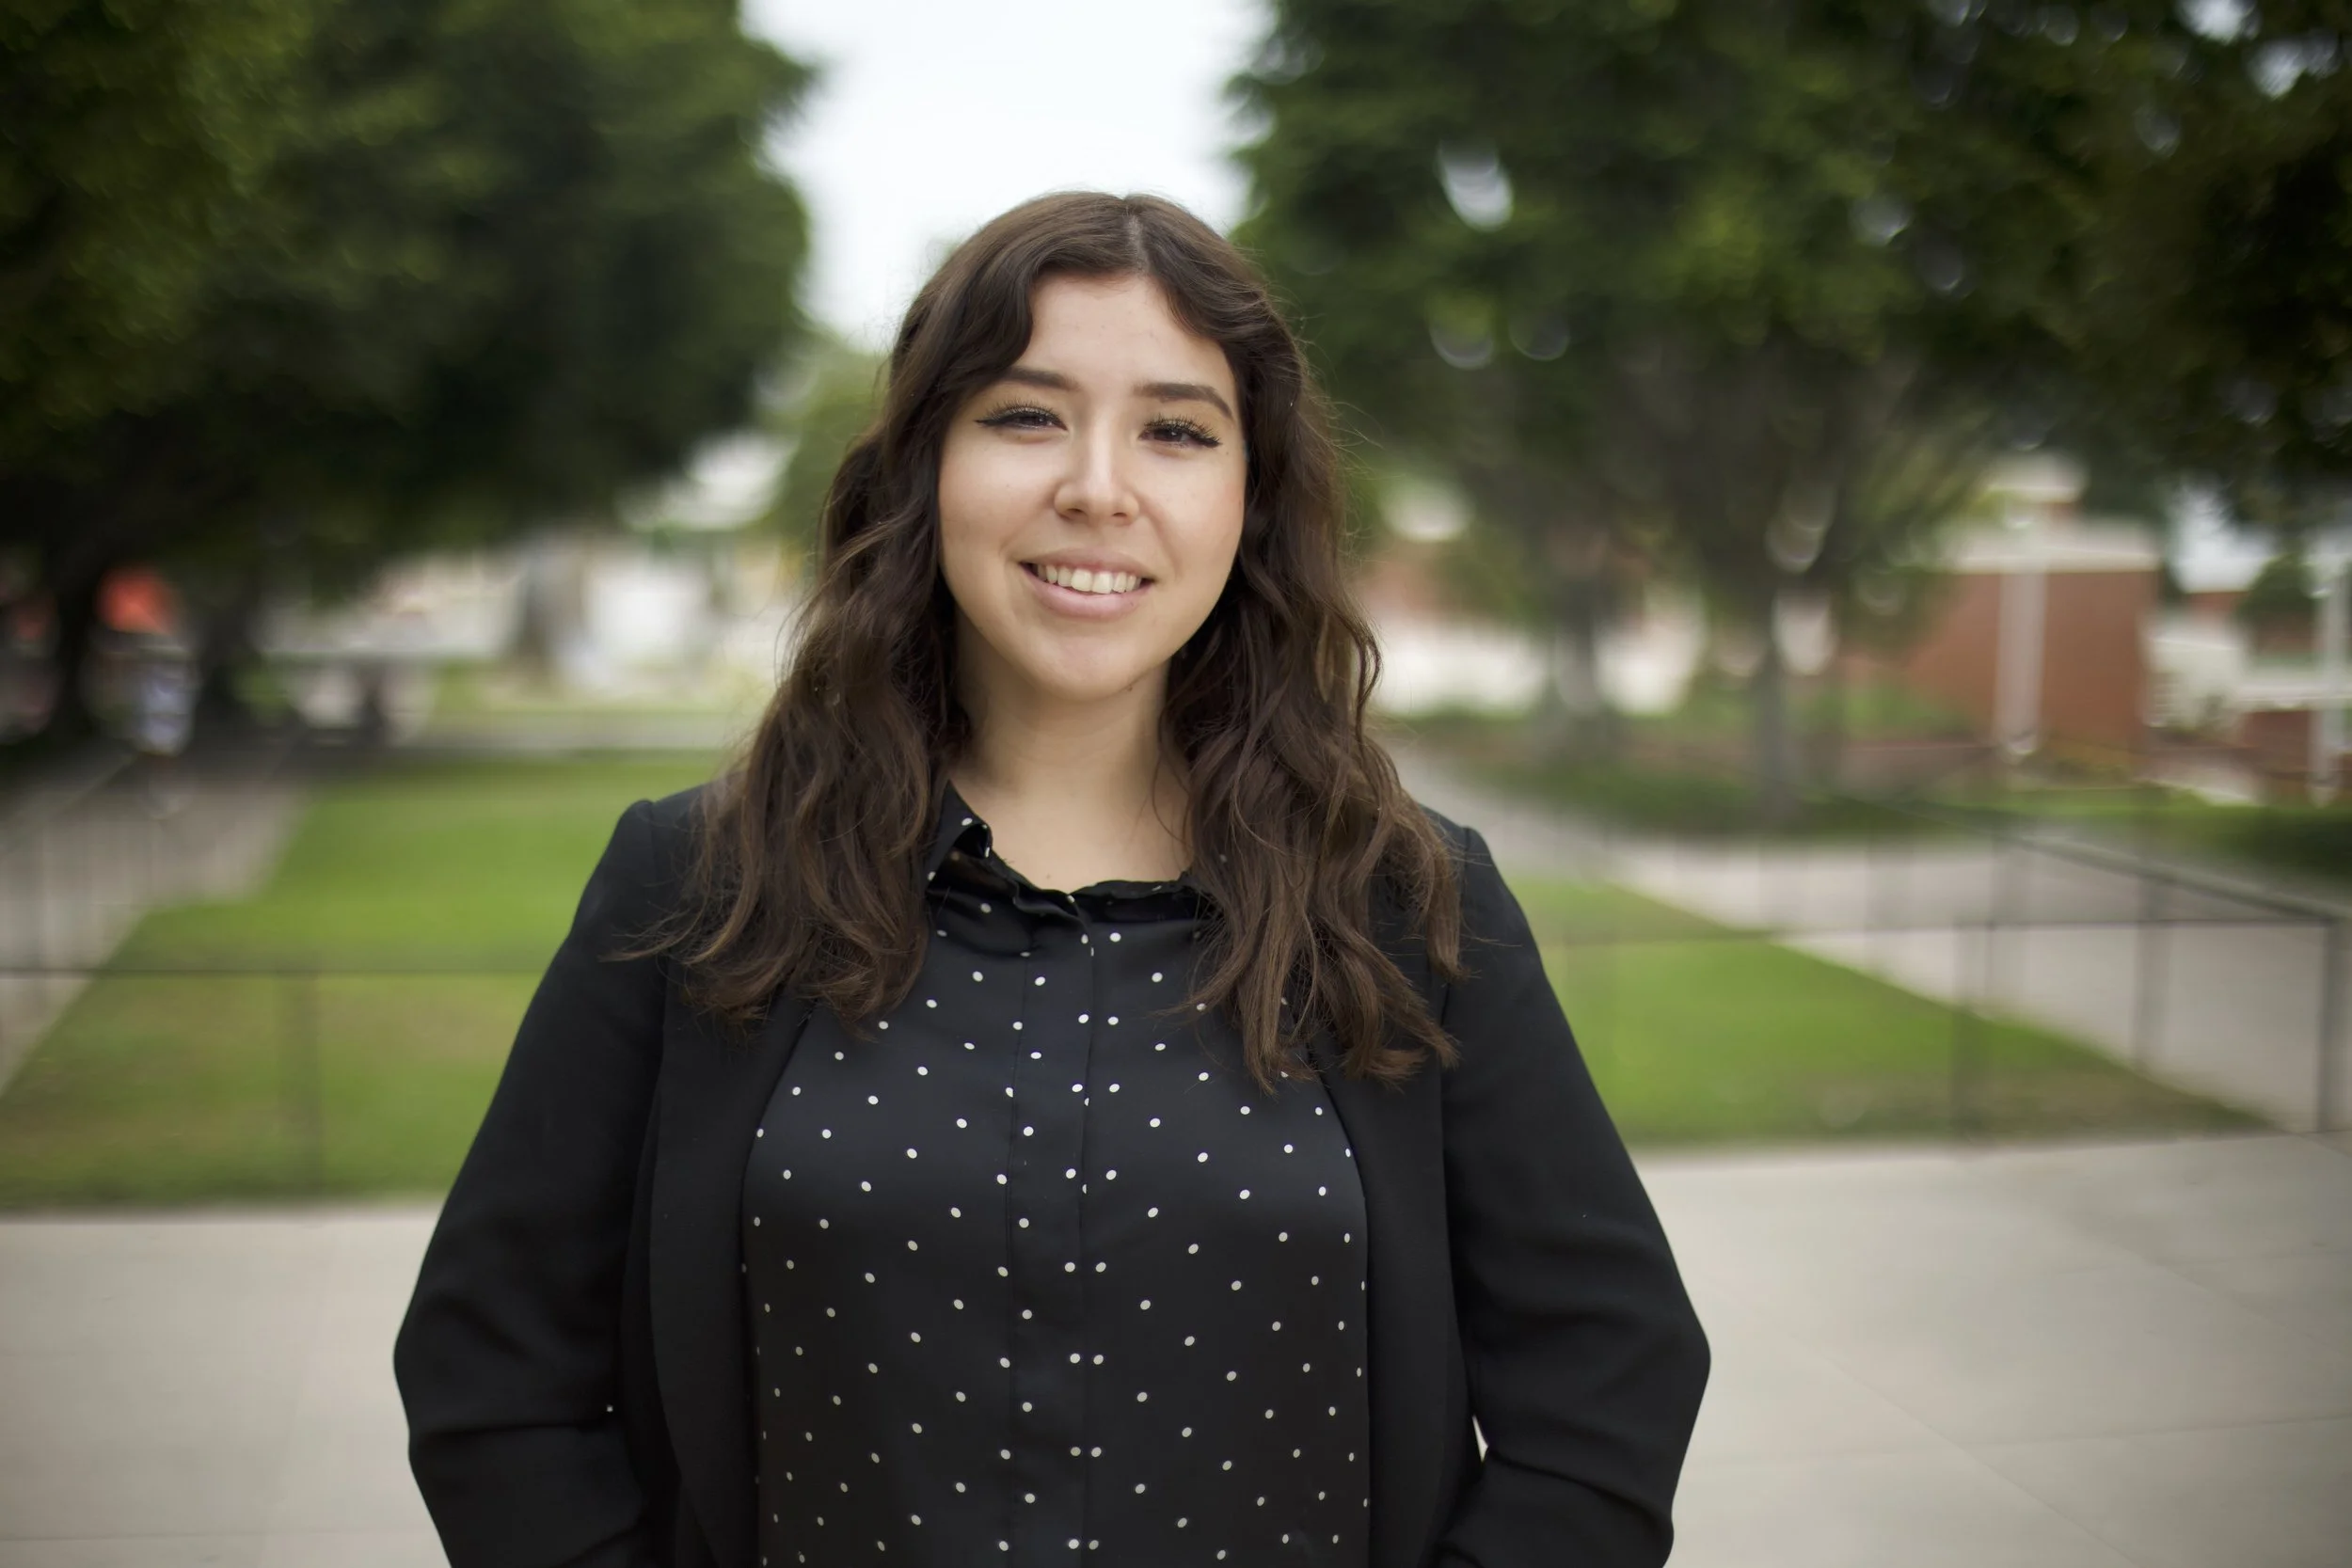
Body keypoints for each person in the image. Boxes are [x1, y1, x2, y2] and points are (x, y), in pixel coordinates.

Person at [394, 191, 1708, 1568]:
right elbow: (497, 1389)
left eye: (1178, 430)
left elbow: (1606, 1391)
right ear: (925, 468)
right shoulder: (697, 884)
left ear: (1249, 498)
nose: (1098, 484)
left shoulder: (1404, 902)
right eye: (1025, 415)